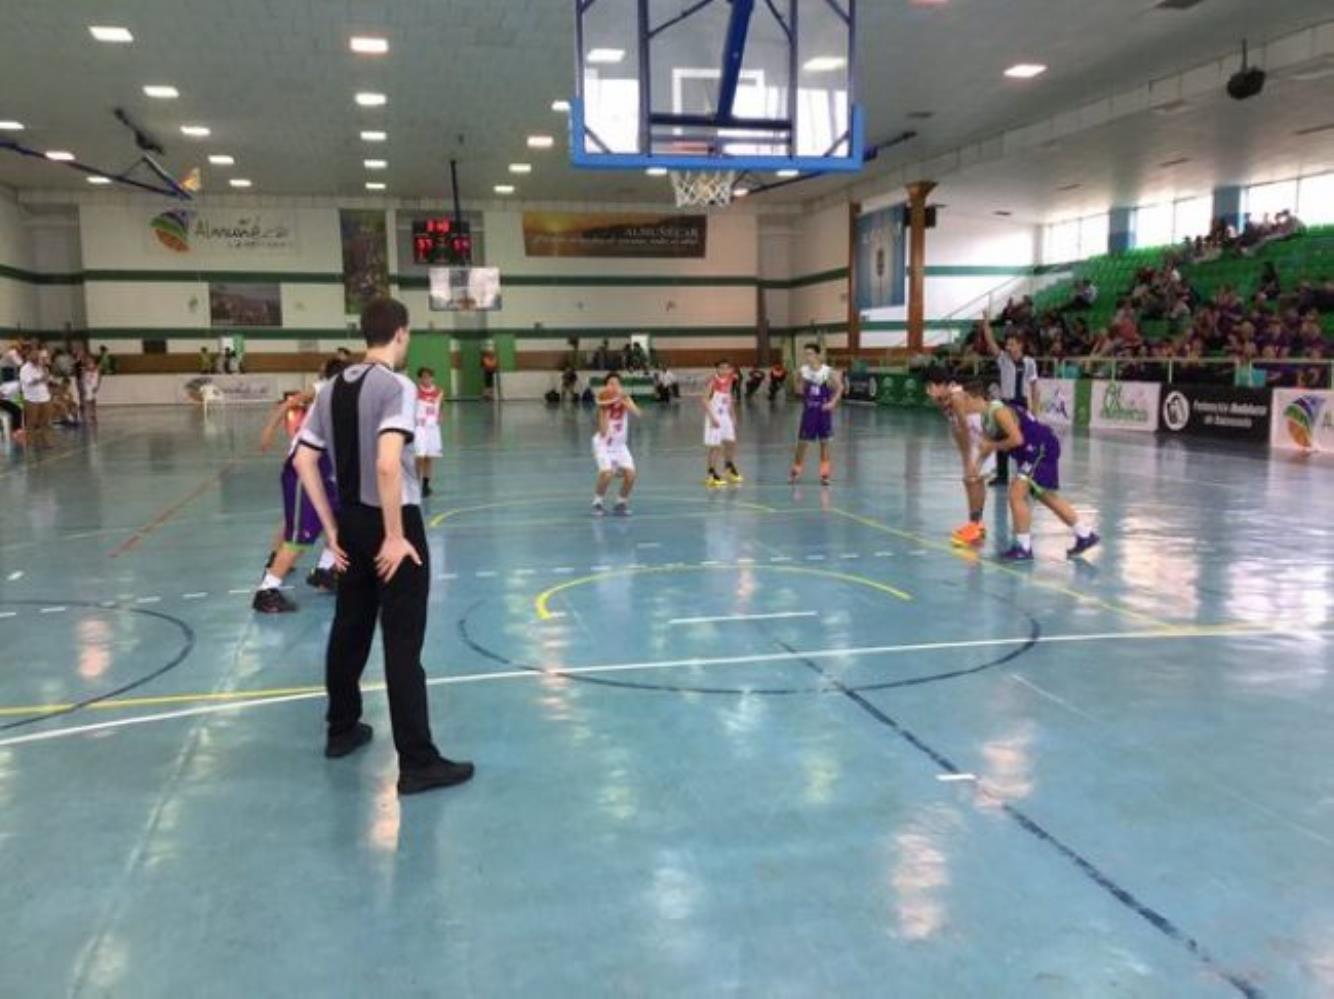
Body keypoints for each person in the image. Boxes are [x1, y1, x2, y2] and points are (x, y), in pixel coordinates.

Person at [292, 296, 473, 795]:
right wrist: (395, 535)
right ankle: (416, 762)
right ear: (400, 334)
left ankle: (342, 726)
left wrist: (330, 528)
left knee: (350, 626)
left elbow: (305, 461)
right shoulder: (398, 386)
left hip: (349, 522)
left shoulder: (329, 389)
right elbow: (389, 464)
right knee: (401, 641)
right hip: (394, 523)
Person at [959, 380, 1099, 561]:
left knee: (1016, 494)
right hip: (1031, 451)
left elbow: (1016, 440)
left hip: (1040, 446)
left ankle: (1024, 548)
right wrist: (975, 468)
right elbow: (987, 448)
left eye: (964, 400)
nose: (961, 405)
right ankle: (1085, 534)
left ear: (975, 398)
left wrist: (992, 445)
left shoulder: (998, 411)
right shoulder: (986, 419)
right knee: (1046, 496)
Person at [252, 366, 346, 614]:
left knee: (341, 523)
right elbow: (291, 403)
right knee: (301, 535)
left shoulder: (346, 397)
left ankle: (325, 571)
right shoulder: (325, 389)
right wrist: (269, 430)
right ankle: (267, 590)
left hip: (325, 468)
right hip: (303, 469)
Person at [926, 370, 995, 547]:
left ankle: (975, 525)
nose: (929, 389)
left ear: (941, 384)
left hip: (977, 436)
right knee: (974, 480)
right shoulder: (948, 397)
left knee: (973, 479)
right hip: (974, 435)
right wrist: (938, 401)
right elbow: (951, 419)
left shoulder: (956, 397)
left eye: (931, 386)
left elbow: (964, 427)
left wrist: (967, 457)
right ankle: (976, 524)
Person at [979, 313, 1038, 488]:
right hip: (1005, 403)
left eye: (1012, 344)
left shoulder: (1030, 363)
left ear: (1020, 345)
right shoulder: (1003, 359)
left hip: (1021, 404)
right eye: (1007, 344)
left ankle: (1025, 474)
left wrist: (1034, 409)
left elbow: (1035, 386)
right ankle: (1002, 476)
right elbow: (991, 343)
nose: (1008, 347)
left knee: (1023, 440)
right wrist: (986, 326)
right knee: (1001, 437)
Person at [789, 343, 843, 486]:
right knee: (802, 444)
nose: (807, 357)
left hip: (823, 412)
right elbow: (798, 390)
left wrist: (832, 403)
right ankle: (795, 472)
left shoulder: (827, 371)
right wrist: (798, 383)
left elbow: (840, 387)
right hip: (809, 412)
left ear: (818, 355)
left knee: (824, 443)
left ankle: (825, 475)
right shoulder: (802, 371)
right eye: (806, 354)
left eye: (810, 354)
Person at [592, 372, 641, 516]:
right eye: (610, 383)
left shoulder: (625, 399)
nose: (614, 386)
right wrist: (606, 409)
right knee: (607, 474)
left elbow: (638, 413)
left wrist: (625, 402)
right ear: (606, 387)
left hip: (620, 445)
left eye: (616, 383)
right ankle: (597, 503)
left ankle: (621, 503)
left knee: (631, 475)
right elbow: (603, 432)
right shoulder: (603, 406)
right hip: (604, 444)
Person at [701, 360, 742, 488]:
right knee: (715, 447)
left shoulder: (730, 380)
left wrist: (733, 414)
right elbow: (704, 399)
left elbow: (728, 397)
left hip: (725, 416)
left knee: (731, 442)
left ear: (730, 369)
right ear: (717, 369)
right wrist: (712, 417)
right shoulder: (713, 382)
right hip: (715, 417)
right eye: (721, 368)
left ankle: (728, 467)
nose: (724, 370)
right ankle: (711, 475)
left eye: (727, 368)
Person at [415, 367, 443, 497]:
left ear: (432, 378)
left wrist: (440, 416)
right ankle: (414, 484)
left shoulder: (439, 392)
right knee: (419, 456)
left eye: (429, 376)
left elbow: (439, 408)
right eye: (424, 377)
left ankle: (425, 486)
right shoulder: (415, 391)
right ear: (419, 378)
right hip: (419, 427)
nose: (427, 379)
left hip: (432, 428)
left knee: (428, 458)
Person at [19, 344, 53, 448]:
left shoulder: (41, 367)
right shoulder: (25, 368)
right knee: (32, 422)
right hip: (31, 398)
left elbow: (48, 380)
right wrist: (41, 378)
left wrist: (46, 369)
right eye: (33, 355)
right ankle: (29, 442)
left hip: (44, 397)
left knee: (46, 421)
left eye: (37, 355)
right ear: (28, 356)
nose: (36, 357)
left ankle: (45, 441)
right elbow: (29, 382)